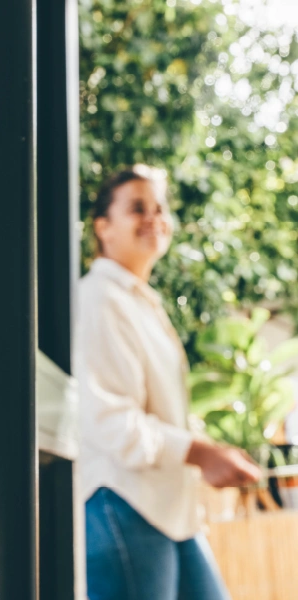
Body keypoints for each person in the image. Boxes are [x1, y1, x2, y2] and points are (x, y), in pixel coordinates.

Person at [77, 165, 262, 600]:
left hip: (168, 512)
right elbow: (107, 419)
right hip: (124, 505)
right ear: (103, 227)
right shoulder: (99, 299)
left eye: (159, 208)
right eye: (137, 208)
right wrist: (198, 453)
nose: (154, 218)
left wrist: (211, 450)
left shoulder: (139, 302)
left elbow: (158, 413)